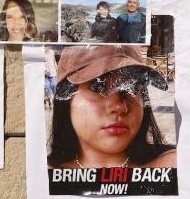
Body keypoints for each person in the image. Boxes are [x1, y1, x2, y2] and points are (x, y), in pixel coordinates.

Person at [46, 44, 175, 169]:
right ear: (65, 99)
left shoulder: (173, 166)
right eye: (97, 87)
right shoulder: (44, 178)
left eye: (132, 88)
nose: (119, 107)